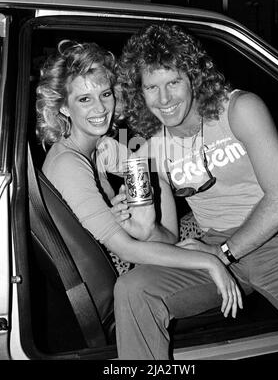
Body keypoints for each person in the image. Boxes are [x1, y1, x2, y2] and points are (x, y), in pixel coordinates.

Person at [35, 40, 242, 360]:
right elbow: (125, 247)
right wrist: (209, 259)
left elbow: (152, 164)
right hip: (122, 266)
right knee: (214, 227)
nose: (100, 108)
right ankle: (249, 264)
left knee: (200, 216)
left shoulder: (96, 146)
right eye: (84, 99)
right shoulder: (68, 163)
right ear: (63, 106)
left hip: (127, 247)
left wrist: (135, 197)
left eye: (105, 94)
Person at [115, 23, 278, 358]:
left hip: (277, 241)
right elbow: (168, 238)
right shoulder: (146, 144)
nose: (164, 99)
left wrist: (224, 253)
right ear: (138, 92)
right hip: (210, 245)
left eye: (173, 82)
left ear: (194, 78)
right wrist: (144, 228)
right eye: (151, 87)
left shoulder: (240, 108)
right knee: (133, 289)